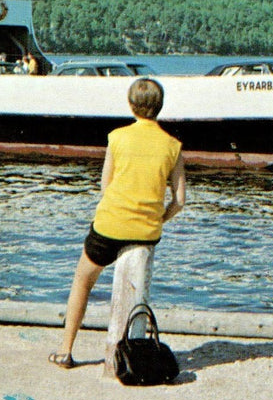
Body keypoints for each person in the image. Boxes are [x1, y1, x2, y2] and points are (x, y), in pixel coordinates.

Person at [48, 78, 186, 368]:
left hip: (110, 226)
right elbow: (180, 200)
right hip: (146, 231)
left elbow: (105, 186)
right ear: (159, 107)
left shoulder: (117, 137)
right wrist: (158, 218)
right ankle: (130, 355)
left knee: (83, 279)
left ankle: (65, 350)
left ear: (131, 105)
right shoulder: (173, 146)